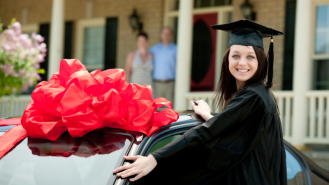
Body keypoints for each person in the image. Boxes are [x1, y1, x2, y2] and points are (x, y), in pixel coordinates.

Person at [113, 20, 287, 185]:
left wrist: (154, 158)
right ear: (227, 59)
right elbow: (234, 136)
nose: (242, 62)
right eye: (236, 55)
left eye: (250, 57)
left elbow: (205, 134)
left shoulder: (253, 97)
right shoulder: (258, 96)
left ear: (261, 61)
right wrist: (208, 116)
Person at [149, 27, 177, 103]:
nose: (166, 36)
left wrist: (177, 85)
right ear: (160, 35)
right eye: (164, 33)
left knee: (169, 109)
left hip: (171, 84)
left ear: (172, 36)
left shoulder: (176, 49)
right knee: (157, 108)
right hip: (156, 84)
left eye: (168, 34)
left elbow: (179, 68)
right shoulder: (153, 49)